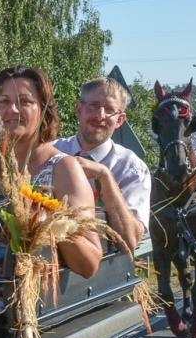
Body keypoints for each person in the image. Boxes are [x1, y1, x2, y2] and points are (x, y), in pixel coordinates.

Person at [0, 66, 104, 338]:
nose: (13, 110)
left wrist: (51, 223)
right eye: (4, 102)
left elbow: (90, 263)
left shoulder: (63, 168)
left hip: (24, 311)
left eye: (25, 101)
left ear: (44, 109)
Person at [53, 75, 150, 252]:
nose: (100, 115)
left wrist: (105, 177)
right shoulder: (52, 152)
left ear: (120, 120)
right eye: (94, 106)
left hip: (106, 274)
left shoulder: (132, 169)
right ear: (79, 109)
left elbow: (129, 242)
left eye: (110, 110)